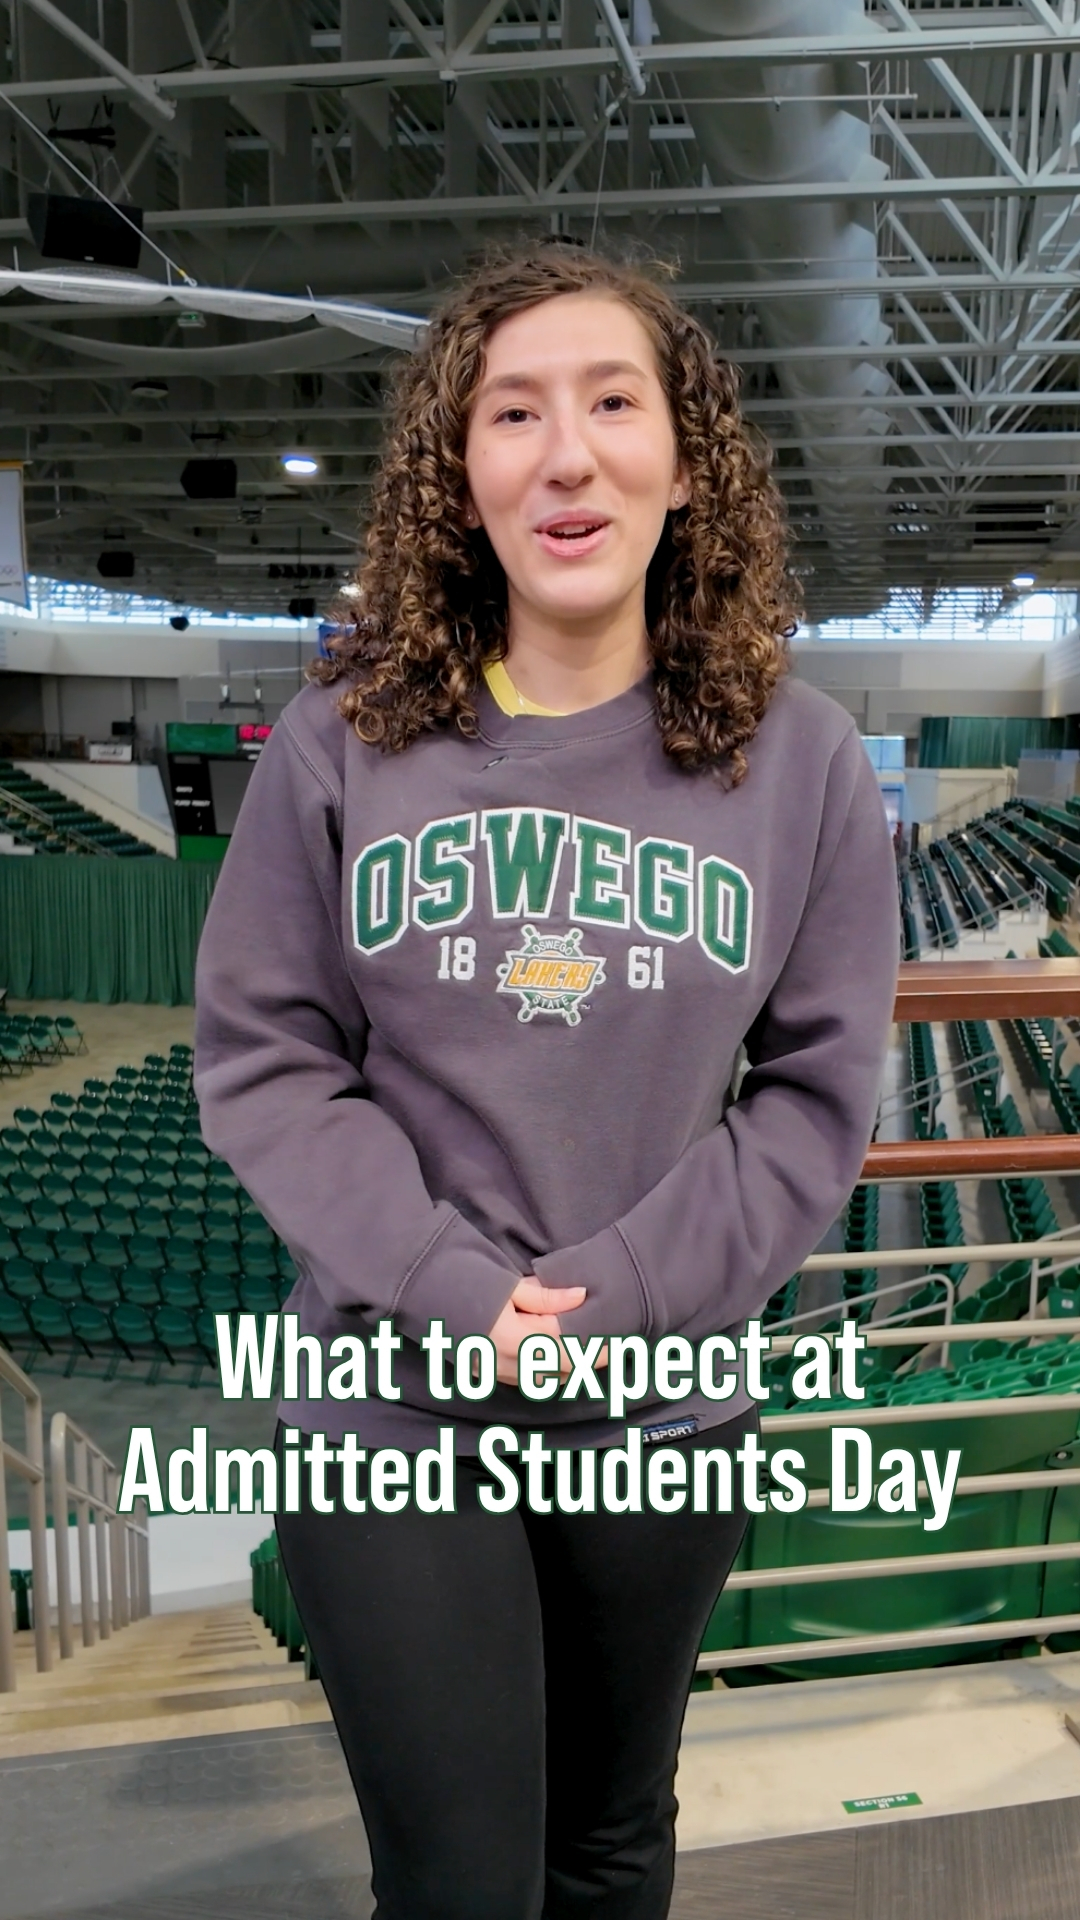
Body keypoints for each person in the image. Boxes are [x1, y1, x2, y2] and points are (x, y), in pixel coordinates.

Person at [193, 243, 900, 1920]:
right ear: (463, 470)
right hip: (392, 1403)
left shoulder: (798, 755)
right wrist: (449, 1282)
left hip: (660, 1405)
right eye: (514, 411)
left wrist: (624, 1292)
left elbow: (816, 1091)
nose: (565, 453)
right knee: (459, 1881)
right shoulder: (341, 736)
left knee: (608, 1842)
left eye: (611, 402)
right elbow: (266, 1055)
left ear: (685, 456)